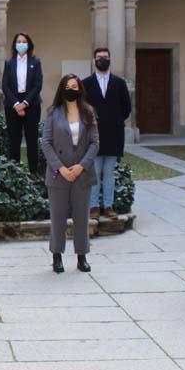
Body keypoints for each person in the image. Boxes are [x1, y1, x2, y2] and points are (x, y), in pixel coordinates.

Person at [42, 74, 100, 274]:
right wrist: (61, 167)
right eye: (68, 86)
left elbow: (95, 143)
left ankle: (81, 257)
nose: (71, 89)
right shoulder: (53, 112)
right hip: (59, 174)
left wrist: (81, 166)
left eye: (75, 86)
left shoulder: (88, 112)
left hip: (82, 174)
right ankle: (56, 256)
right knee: (57, 217)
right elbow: (46, 143)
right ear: (62, 89)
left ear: (80, 89)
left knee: (81, 217)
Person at [81, 47, 131, 219]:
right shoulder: (86, 83)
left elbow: (126, 108)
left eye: (106, 57)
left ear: (110, 59)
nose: (103, 59)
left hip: (114, 134)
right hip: (93, 135)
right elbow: (82, 107)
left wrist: (114, 121)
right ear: (94, 61)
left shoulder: (119, 83)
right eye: (99, 57)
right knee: (94, 171)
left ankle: (108, 206)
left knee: (109, 173)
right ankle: (94, 206)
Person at [1, 32, 43, 176]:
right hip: (12, 104)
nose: (21, 44)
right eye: (18, 41)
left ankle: (33, 172)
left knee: (32, 139)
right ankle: (15, 173)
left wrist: (25, 103)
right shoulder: (9, 63)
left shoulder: (35, 62)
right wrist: (16, 104)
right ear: (14, 44)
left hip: (32, 103)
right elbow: (5, 86)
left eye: (24, 41)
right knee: (14, 139)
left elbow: (38, 85)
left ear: (29, 44)